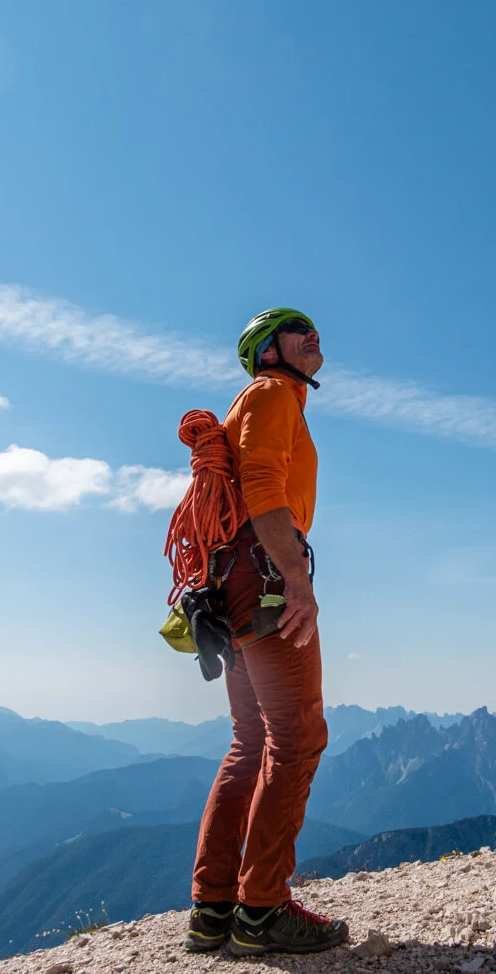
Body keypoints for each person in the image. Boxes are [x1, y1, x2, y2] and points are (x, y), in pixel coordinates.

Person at [185, 308, 349, 956]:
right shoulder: (273, 392)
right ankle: (263, 910)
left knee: (251, 742)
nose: (314, 334)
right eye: (296, 329)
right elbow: (261, 488)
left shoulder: (268, 398)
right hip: (265, 576)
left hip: (234, 578)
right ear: (266, 351)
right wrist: (296, 579)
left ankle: (215, 908)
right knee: (298, 736)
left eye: (313, 328)